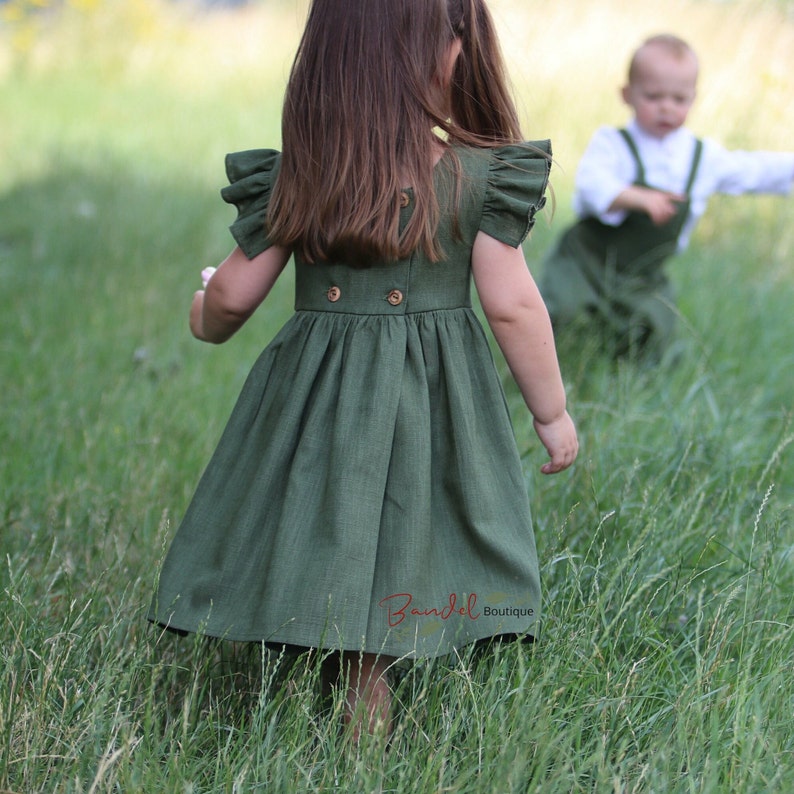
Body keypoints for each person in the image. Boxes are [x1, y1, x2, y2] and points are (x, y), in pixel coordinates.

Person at [149, 0, 578, 739]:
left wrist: (200, 308)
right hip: (431, 399)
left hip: (317, 400)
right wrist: (551, 412)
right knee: (414, 522)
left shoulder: (302, 178)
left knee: (331, 519)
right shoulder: (480, 176)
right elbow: (513, 307)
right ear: (440, 53)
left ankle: (338, 663)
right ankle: (368, 703)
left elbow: (230, 298)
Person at [539, 33, 794, 360]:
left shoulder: (700, 157)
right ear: (627, 95)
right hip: (587, 260)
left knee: (652, 329)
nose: (666, 108)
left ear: (693, 99)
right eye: (654, 96)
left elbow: (753, 170)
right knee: (562, 307)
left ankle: (627, 376)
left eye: (679, 99)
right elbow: (591, 184)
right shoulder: (614, 144)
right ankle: (550, 363)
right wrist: (635, 198)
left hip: (643, 273)